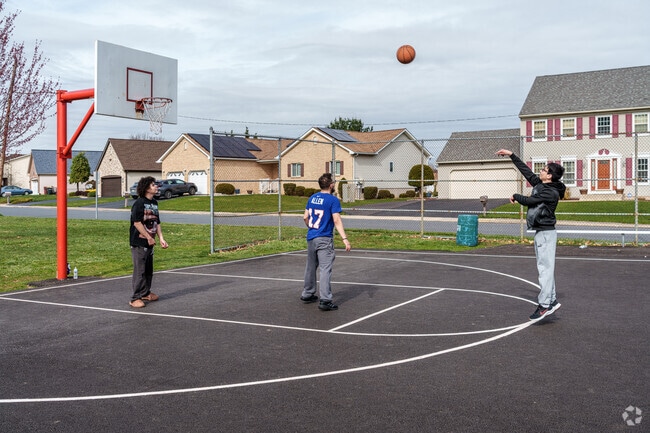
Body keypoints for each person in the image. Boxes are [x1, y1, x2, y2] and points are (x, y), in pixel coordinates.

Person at [496, 149, 566, 320]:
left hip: (546, 234)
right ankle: (552, 300)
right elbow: (526, 172)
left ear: (549, 176)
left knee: (545, 270)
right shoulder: (542, 185)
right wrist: (512, 155)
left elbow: (529, 201)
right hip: (541, 232)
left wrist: (515, 195)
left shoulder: (550, 192)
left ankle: (544, 305)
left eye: (544, 170)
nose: (540, 171)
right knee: (546, 269)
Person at [301, 173, 351, 311]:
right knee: (325, 269)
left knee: (310, 267)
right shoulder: (332, 200)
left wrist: (311, 228)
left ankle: (307, 293)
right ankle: (325, 300)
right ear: (331, 185)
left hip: (311, 236)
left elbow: (305, 217)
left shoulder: (312, 197)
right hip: (324, 238)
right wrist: (345, 239)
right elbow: (336, 220)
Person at [129, 176, 168, 308]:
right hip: (139, 242)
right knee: (139, 271)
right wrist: (148, 237)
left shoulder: (154, 203)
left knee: (148, 270)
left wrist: (161, 238)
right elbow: (137, 223)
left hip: (150, 242)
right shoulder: (139, 203)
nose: (156, 186)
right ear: (146, 188)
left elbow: (157, 222)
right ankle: (135, 298)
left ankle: (145, 293)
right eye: (153, 185)